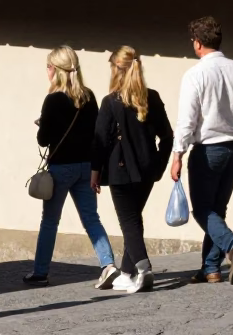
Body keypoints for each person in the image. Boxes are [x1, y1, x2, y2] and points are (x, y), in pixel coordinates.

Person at [171, 16, 233, 285]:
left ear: (198, 43)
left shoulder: (195, 74)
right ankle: (211, 267)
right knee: (217, 209)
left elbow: (187, 119)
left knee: (203, 210)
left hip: (208, 149)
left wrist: (177, 154)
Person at [25, 46, 119, 288]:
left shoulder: (53, 99)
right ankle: (108, 265)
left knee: (50, 221)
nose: (46, 71)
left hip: (61, 169)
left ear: (56, 70)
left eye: (48, 67)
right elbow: (98, 136)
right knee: (91, 218)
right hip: (87, 166)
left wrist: (43, 124)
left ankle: (40, 272)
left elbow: (44, 140)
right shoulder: (89, 97)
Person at [92, 46, 173, 294]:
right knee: (134, 221)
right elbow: (168, 136)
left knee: (129, 222)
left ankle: (143, 267)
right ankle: (127, 273)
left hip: (121, 170)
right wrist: (159, 164)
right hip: (147, 171)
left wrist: (94, 173)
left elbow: (100, 142)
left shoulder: (110, 102)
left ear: (117, 70)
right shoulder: (153, 97)